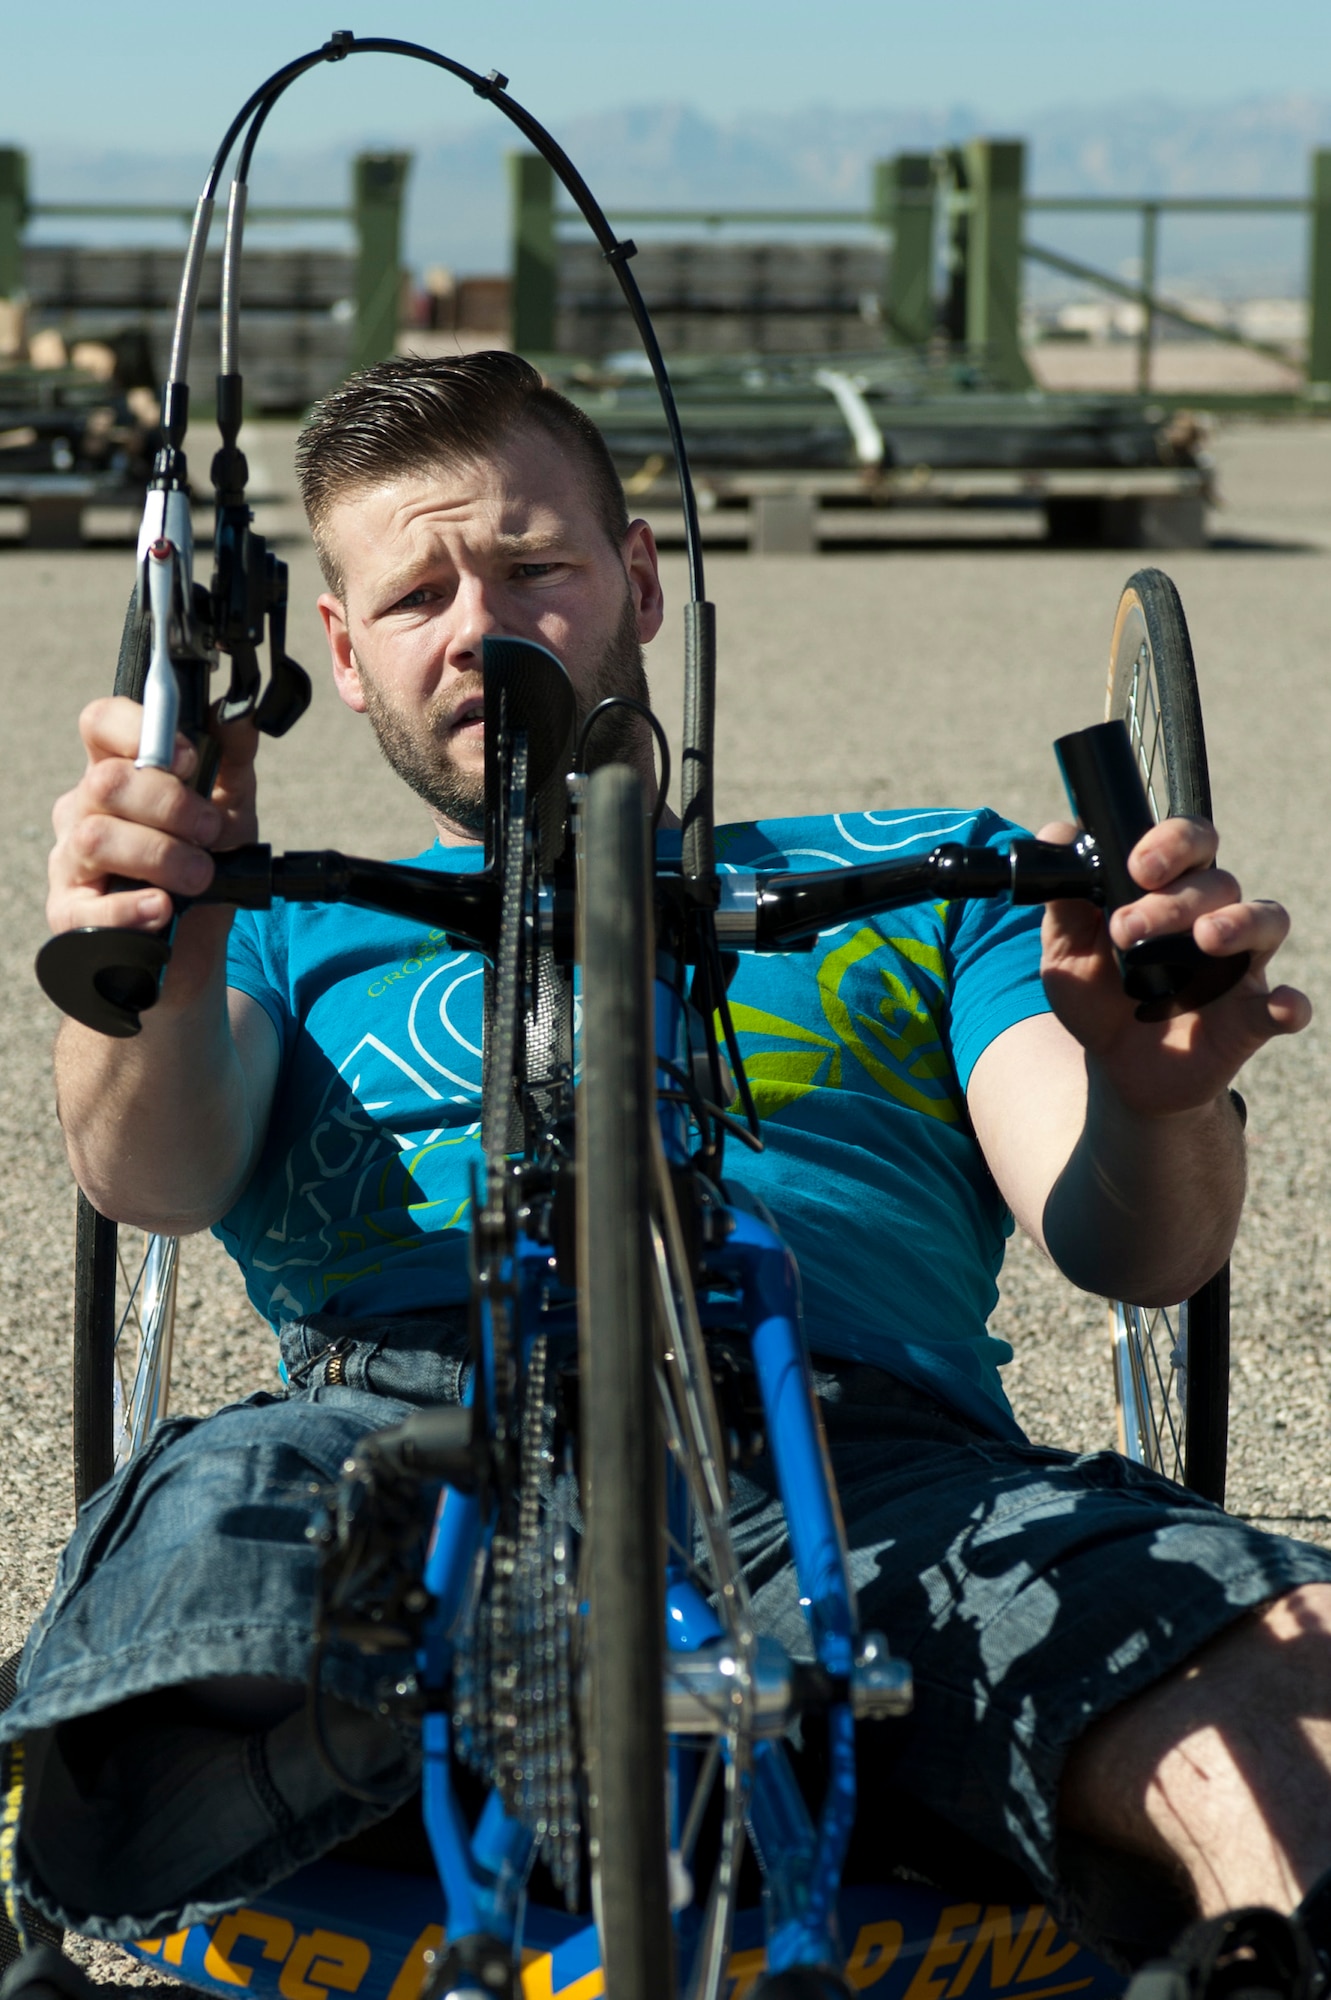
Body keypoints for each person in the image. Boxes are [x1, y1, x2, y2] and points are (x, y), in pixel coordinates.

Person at [7, 350, 1329, 1976]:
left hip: (878, 1474)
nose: (480, 626)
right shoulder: (275, 918)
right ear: (340, 657)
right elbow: (151, 1175)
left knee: (1295, 1675)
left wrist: (1160, 1099)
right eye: (416, 593)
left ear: (637, 576)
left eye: (533, 565)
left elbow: (1139, 1249)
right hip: (396, 1451)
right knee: (193, 1547)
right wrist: (160, 942)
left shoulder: (931, 877)